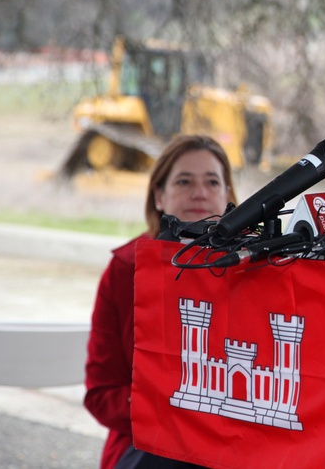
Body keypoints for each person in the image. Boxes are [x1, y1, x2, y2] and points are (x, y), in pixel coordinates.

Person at [84, 135, 236, 469]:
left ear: (228, 196)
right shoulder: (126, 270)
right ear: (158, 196)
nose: (200, 192)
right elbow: (101, 395)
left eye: (212, 182)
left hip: (236, 441)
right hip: (149, 445)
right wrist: (174, 410)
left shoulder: (255, 270)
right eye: (184, 181)